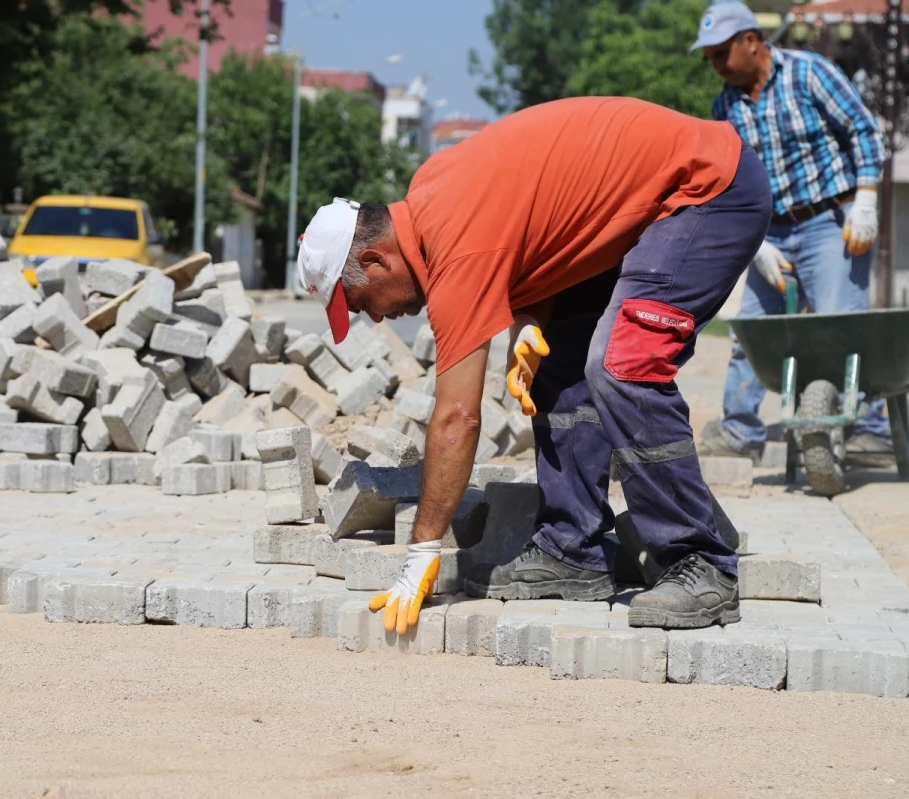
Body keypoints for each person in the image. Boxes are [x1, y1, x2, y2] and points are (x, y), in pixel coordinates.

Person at [296, 96, 771, 633]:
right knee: (556, 365)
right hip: (645, 208)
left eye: (362, 303)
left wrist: (422, 552)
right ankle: (574, 550)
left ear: (375, 260)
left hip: (706, 189)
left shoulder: (453, 248)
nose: (377, 318)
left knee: (622, 364)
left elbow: (458, 419)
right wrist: (528, 317)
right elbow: (542, 223)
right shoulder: (433, 194)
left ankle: (701, 561)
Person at [690, 1, 893, 466]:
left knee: (841, 327)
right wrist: (755, 243)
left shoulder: (810, 73)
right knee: (752, 333)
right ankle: (741, 430)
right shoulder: (725, 105)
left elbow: (864, 131)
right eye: (711, 58)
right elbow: (729, 181)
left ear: (751, 41)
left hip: (830, 225)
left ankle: (870, 432)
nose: (718, 65)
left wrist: (865, 200)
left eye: (723, 53)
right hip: (772, 235)